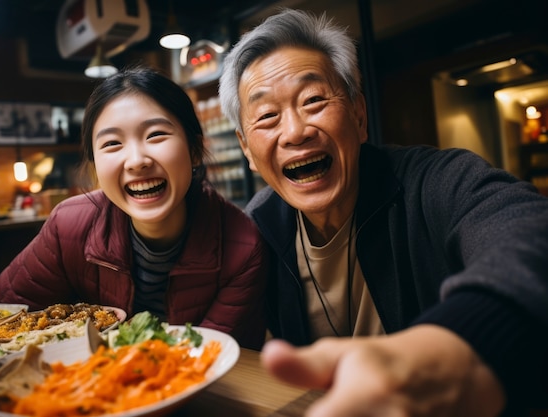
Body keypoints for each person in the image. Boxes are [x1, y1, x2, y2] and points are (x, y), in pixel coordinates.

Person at [218, 8, 548, 416]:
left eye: (314, 100)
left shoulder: (435, 182)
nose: (295, 131)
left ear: (359, 115)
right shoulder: (258, 230)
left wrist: (461, 342)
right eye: (267, 116)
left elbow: (527, 229)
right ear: (247, 149)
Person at [0, 66, 268, 350]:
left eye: (155, 135)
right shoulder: (68, 227)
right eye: (112, 143)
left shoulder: (241, 245)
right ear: (96, 166)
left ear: (194, 150)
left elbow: (218, 358)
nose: (136, 161)